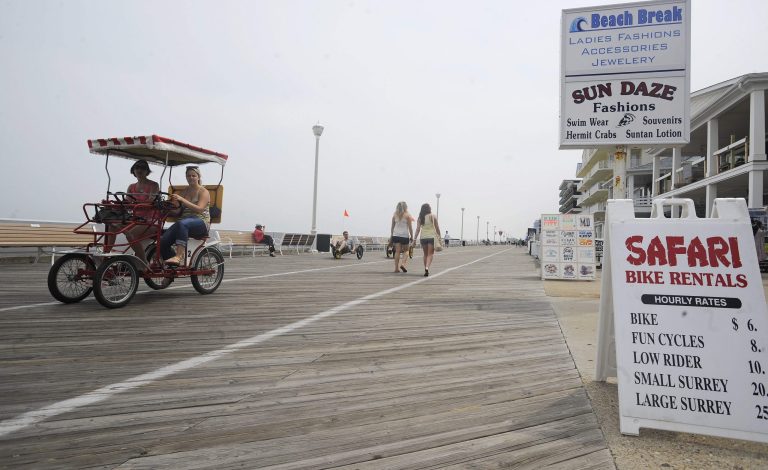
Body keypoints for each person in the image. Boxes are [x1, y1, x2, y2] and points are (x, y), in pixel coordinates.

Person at [103, 159, 160, 265]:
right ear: (133, 170)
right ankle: (106, 255)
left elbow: (151, 201)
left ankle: (143, 262)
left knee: (131, 234)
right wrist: (112, 205)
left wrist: (135, 204)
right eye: (137, 168)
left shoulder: (154, 185)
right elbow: (126, 204)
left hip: (150, 221)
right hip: (135, 220)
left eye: (142, 168)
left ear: (147, 171)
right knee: (112, 225)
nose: (139, 170)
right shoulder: (131, 187)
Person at [161, 166, 211, 266]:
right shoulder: (184, 192)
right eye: (188, 176)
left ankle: (178, 256)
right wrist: (167, 208)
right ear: (186, 177)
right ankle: (172, 269)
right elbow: (178, 212)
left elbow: (200, 209)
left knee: (182, 223)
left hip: (201, 222)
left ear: (198, 177)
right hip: (183, 222)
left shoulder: (204, 191)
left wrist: (182, 199)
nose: (191, 177)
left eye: (193, 175)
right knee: (163, 241)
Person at [412, 203, 441, 276]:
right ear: (429, 209)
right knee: (430, 254)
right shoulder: (433, 216)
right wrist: (439, 237)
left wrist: (414, 239)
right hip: (431, 237)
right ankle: (427, 268)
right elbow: (437, 228)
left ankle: (425, 268)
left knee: (425, 254)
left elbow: (417, 229)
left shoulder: (420, 218)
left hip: (423, 238)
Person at [390, 201, 414, 273]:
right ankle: (403, 264)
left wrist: (392, 235)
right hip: (404, 236)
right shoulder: (407, 215)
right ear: (406, 207)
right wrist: (412, 236)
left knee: (397, 251)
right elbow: (410, 228)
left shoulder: (394, 215)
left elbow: (392, 227)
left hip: (396, 235)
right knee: (406, 251)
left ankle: (396, 268)